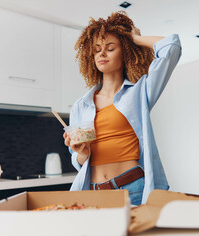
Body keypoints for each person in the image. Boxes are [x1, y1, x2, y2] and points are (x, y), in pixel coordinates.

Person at [63, 11, 181, 205]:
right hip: (94, 192)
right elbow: (79, 162)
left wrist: (135, 38)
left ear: (125, 52)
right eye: (97, 49)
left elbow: (172, 46)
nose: (102, 53)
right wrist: (82, 153)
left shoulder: (139, 92)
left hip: (132, 188)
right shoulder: (80, 106)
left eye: (110, 48)